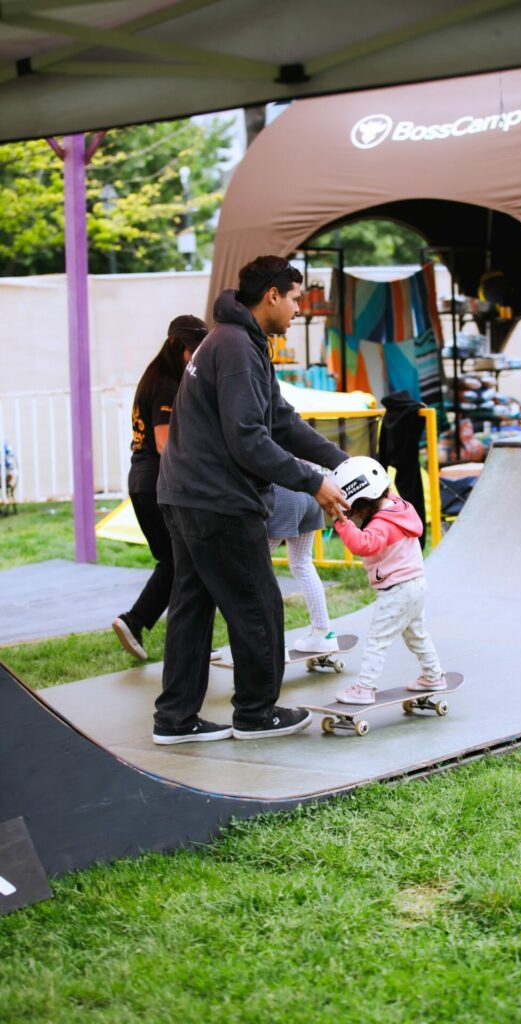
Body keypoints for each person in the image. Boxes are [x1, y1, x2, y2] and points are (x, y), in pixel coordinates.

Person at [153, 255, 349, 745]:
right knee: (258, 604)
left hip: (185, 493)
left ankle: (175, 720)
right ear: (272, 296)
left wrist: (340, 462)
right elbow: (248, 439)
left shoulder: (235, 340)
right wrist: (312, 481)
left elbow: (279, 418)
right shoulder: (237, 345)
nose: (299, 309)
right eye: (297, 298)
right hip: (216, 499)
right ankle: (257, 714)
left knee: (192, 606)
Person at [112, 315, 208, 660]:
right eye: (191, 352)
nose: (194, 359)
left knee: (175, 561)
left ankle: (146, 625)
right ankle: (140, 622)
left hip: (142, 480)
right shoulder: (167, 383)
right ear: (176, 347)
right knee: (180, 561)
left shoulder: (152, 377)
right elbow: (165, 443)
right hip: (156, 482)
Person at [329, 456, 445, 705]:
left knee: (377, 640)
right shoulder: (399, 506)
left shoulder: (381, 524)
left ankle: (364, 688)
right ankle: (433, 675)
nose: (355, 515)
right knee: (417, 635)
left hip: (397, 590)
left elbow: (363, 544)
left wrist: (341, 522)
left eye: (355, 509)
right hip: (416, 583)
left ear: (367, 499)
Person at [267, 480, 339, 656]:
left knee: (255, 564)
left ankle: (273, 644)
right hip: (313, 494)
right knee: (303, 564)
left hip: (285, 493)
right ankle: (322, 634)